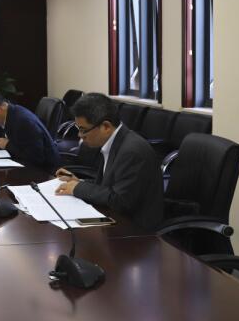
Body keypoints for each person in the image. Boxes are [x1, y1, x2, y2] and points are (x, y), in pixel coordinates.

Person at [54, 92, 164, 230]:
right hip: (115, 218)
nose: (80, 135)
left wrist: (78, 188)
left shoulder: (132, 152)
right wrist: (79, 182)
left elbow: (120, 200)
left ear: (106, 126)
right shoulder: (115, 141)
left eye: (83, 130)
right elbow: (108, 186)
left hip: (136, 230)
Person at [0, 88, 63, 172]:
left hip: (45, 173)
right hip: (26, 168)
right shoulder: (8, 115)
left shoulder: (23, 121)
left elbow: (36, 158)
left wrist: (8, 145)